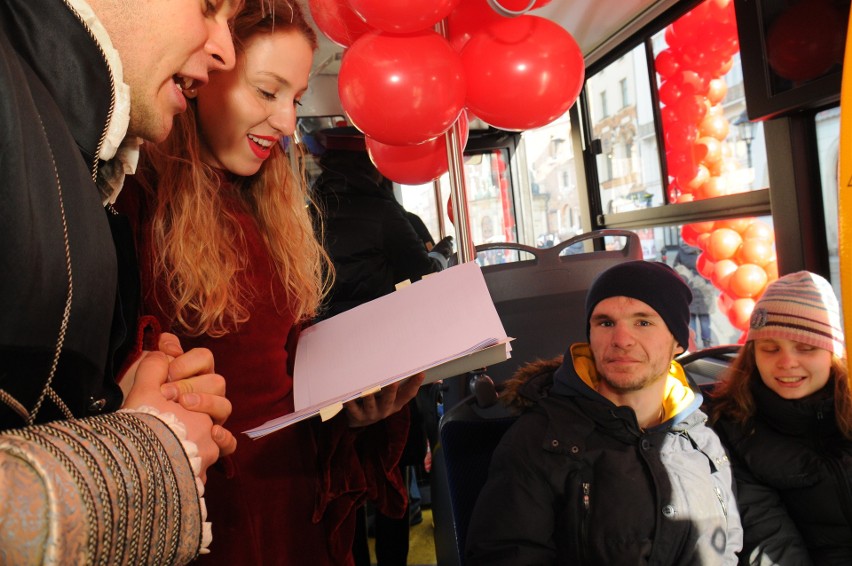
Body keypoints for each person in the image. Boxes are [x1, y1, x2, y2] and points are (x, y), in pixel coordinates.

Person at [115, 2, 423, 564]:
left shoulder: (267, 202)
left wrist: (354, 401)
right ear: (204, 73)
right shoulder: (133, 200)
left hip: (294, 495)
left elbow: (284, 365)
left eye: (296, 99)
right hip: (207, 514)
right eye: (266, 91)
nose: (287, 122)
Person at [0, 0, 242, 562]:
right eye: (209, 7)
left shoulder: (76, 146)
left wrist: (119, 399)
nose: (225, 51)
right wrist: (153, 447)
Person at [465, 260, 743, 565]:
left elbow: (728, 545)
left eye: (643, 322)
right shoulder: (540, 440)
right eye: (605, 323)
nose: (621, 340)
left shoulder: (702, 438)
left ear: (678, 341)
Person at [311, 135, 454, 565]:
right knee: (391, 477)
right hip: (384, 357)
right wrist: (442, 255)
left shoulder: (307, 211)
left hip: (329, 362)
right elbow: (421, 270)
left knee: (347, 482)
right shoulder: (383, 210)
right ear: (373, 166)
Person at [711, 271, 850, 565]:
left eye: (806, 348)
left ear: (833, 352)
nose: (786, 363)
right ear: (753, 355)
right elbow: (768, 536)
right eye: (770, 349)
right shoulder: (735, 427)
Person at [674, 243, 715, 348]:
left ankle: (693, 343)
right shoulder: (705, 250)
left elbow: (675, 267)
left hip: (689, 287)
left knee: (691, 317)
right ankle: (707, 344)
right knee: (704, 318)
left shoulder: (682, 251)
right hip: (705, 288)